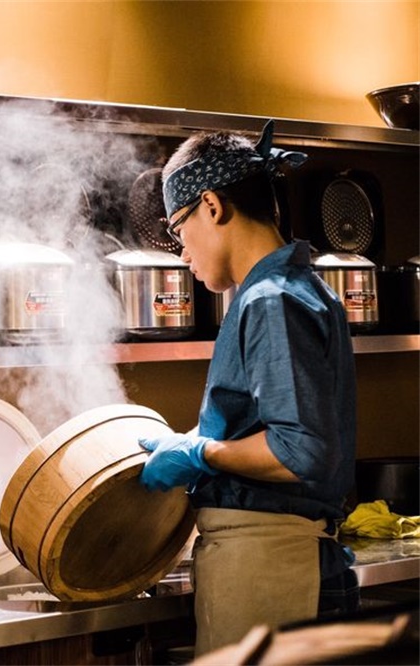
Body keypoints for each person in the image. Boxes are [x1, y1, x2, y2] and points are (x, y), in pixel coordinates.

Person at [138, 119, 359, 655]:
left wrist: (202, 453)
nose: (181, 252)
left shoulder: (271, 300)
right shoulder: (291, 290)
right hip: (273, 557)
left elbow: (298, 451)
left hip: (272, 561)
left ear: (212, 206)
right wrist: (196, 441)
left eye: (177, 229)